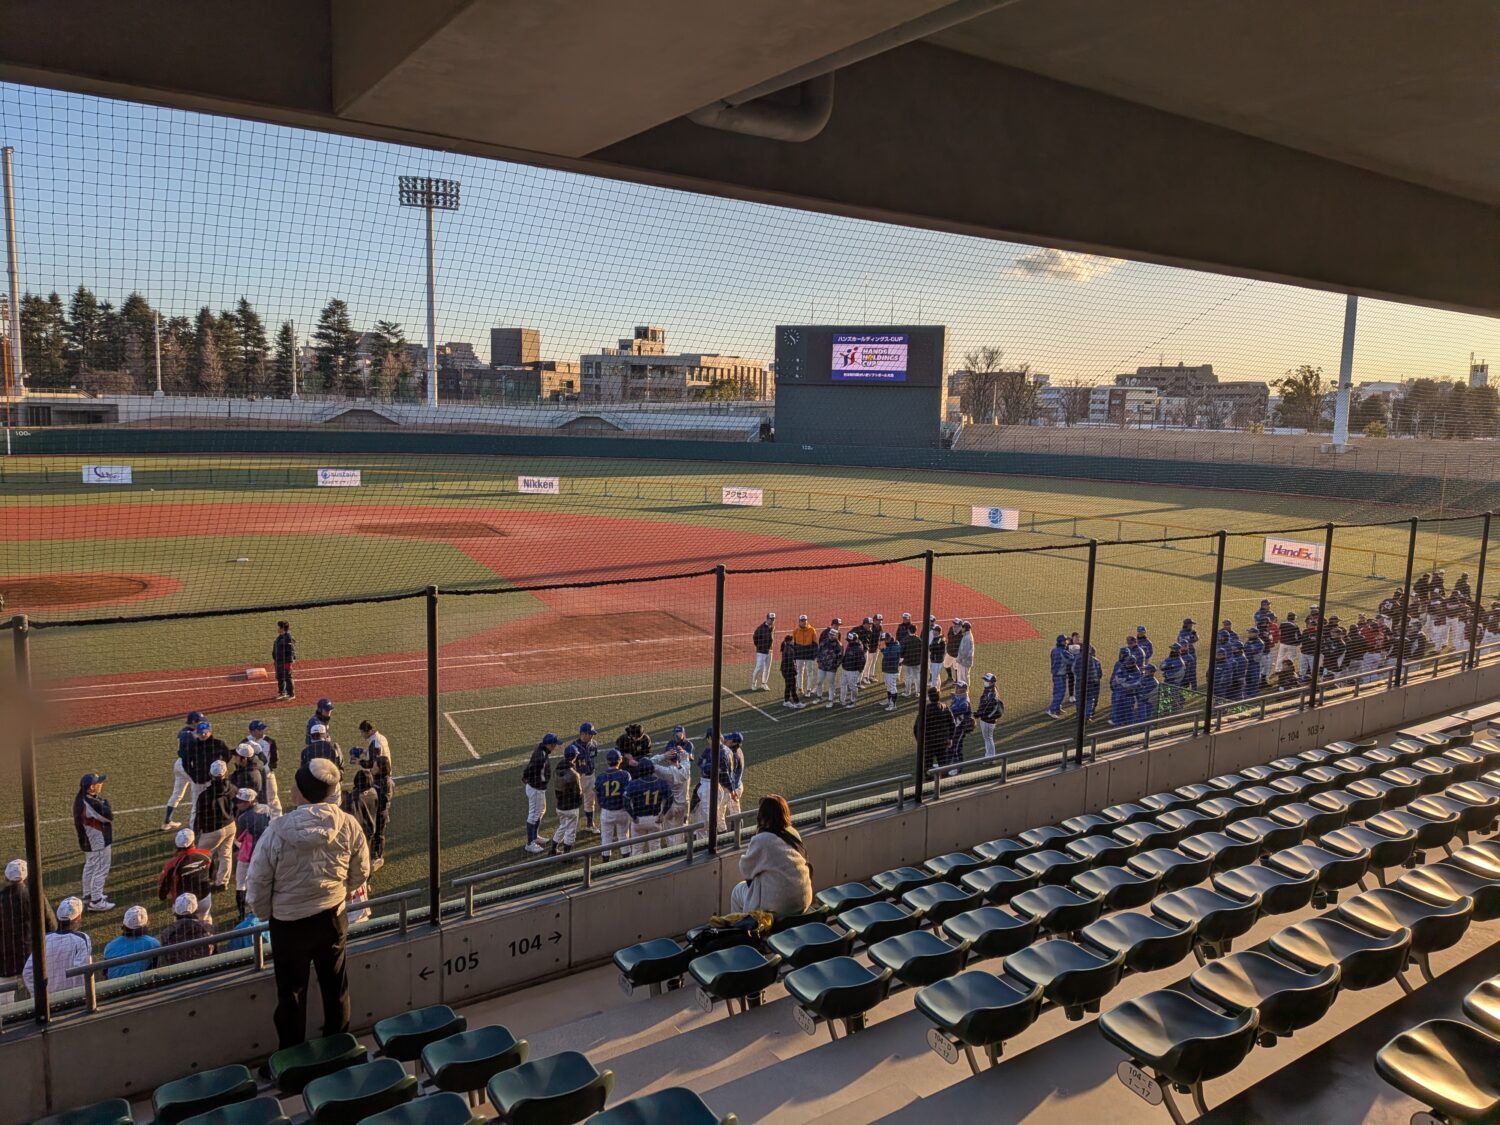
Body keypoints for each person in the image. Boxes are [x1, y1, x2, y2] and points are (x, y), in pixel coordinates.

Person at [246, 757, 370, 1052]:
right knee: (336, 987)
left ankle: (292, 1061)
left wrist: (267, 913)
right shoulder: (348, 824)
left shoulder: (276, 831)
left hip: (289, 925)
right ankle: (339, 1050)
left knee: (291, 995)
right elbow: (361, 871)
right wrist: (339, 892)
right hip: (332, 916)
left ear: (299, 792)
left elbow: (257, 884)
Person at [728, 796, 813, 918]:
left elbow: (746, 870)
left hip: (778, 908)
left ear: (762, 816)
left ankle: (741, 928)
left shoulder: (762, 839)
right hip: (803, 901)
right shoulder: (793, 833)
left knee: (737, 891)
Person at [0, 860, 55, 1004]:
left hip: (4, 958)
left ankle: (8, 1018)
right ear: (26, 877)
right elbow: (51, 925)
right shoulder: (35, 896)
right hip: (32, 955)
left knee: (4, 1001)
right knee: (38, 992)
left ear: (6, 877)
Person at [21, 896, 90, 998]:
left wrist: (40, 995)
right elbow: (81, 971)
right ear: (78, 918)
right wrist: (77, 994)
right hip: (75, 998)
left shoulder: (44, 940)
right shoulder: (81, 939)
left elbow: (27, 972)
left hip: (48, 1000)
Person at [194, 760, 238, 891]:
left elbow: (199, 817)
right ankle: (222, 882)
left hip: (212, 830)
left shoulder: (204, 795)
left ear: (210, 775)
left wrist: (195, 833)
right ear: (226, 773)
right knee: (226, 855)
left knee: (201, 857)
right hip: (230, 825)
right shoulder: (233, 789)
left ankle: (201, 882)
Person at [74, 772, 114, 912]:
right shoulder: (90, 802)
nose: (101, 785)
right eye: (98, 783)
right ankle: (96, 901)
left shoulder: (81, 798)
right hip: (98, 841)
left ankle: (88, 895)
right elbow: (108, 816)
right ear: (91, 787)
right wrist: (105, 804)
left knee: (90, 866)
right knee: (101, 869)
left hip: (88, 840)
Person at [182, 720, 232, 829]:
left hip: (214, 782)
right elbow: (185, 762)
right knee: (196, 807)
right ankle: (193, 830)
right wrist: (193, 776)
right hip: (199, 782)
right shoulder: (193, 746)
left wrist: (220, 768)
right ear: (197, 733)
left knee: (217, 804)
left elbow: (228, 755)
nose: (203, 734)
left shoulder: (218, 744)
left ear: (210, 731)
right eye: (200, 732)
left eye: (205, 732)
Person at [160, 827, 215, 921]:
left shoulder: (171, 864)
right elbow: (210, 872)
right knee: (205, 922)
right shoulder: (206, 854)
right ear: (193, 842)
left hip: (183, 903)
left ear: (177, 845)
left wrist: (163, 896)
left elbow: (163, 888)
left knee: (184, 927)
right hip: (204, 897)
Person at [162, 710, 205, 831]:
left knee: (177, 794)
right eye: (200, 721)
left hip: (179, 764)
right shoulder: (189, 734)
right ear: (193, 721)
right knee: (197, 795)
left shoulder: (184, 731)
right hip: (188, 766)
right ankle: (193, 827)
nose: (202, 724)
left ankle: (167, 822)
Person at [234, 788, 272, 918]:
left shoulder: (244, 818)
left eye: (241, 801)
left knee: (241, 884)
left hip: (248, 855)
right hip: (265, 851)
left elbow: (239, 837)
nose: (238, 804)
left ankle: (242, 914)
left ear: (249, 802)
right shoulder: (266, 808)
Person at [625, 759, 673, 853]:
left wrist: (633, 816)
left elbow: (625, 802)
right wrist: (663, 814)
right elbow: (670, 798)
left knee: (636, 850)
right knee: (656, 849)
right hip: (655, 819)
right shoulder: (661, 782)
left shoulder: (634, 784)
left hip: (639, 820)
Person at [694, 730, 735, 841]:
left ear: (710, 738)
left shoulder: (722, 753)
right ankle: (718, 839)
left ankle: (719, 840)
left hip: (721, 787)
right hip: (721, 786)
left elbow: (724, 774)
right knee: (716, 816)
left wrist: (731, 789)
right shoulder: (722, 750)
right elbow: (700, 763)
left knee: (716, 817)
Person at [103, 906, 161, 980]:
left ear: (124, 925)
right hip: (141, 984)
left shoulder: (110, 946)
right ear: (145, 925)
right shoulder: (153, 944)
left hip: (112, 986)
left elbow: (105, 972)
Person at [595, 749, 633, 860]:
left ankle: (606, 864)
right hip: (622, 811)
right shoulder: (625, 775)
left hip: (607, 812)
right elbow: (629, 793)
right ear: (620, 760)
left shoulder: (601, 777)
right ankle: (627, 862)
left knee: (606, 839)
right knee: (624, 837)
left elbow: (597, 792)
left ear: (607, 761)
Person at [158, 894, 215, 966]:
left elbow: (166, 957)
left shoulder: (166, 933)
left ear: (176, 910)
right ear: (196, 908)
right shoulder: (207, 927)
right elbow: (214, 953)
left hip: (178, 970)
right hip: (205, 966)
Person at [651, 742, 692, 844]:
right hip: (683, 805)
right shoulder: (686, 767)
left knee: (670, 833)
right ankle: (681, 849)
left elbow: (650, 763)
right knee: (680, 830)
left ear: (668, 759)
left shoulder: (666, 772)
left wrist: (663, 755)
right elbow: (686, 756)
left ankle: (673, 851)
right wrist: (681, 750)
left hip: (669, 806)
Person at [522, 734, 556, 854]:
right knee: (534, 815)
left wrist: (526, 776)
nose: (555, 747)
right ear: (549, 744)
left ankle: (535, 836)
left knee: (540, 811)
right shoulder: (540, 755)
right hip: (536, 788)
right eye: (554, 744)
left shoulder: (542, 752)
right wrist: (526, 776)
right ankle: (530, 843)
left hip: (537, 788)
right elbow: (531, 768)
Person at [548, 746, 583, 856]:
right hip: (571, 807)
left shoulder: (557, 769)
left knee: (562, 826)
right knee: (570, 831)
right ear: (575, 756)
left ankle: (553, 849)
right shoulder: (574, 774)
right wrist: (579, 802)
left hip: (560, 806)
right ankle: (567, 856)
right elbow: (578, 793)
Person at [569, 723, 600, 834]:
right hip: (579, 777)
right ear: (583, 734)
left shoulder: (594, 744)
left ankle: (590, 825)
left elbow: (592, 759)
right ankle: (570, 829)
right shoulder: (573, 747)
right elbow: (570, 764)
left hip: (591, 775)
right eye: (590, 734)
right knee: (574, 802)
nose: (592, 736)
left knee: (590, 802)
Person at [246, 719, 282, 817]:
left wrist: (270, 767)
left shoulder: (270, 741)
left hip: (267, 774)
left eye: (263, 729)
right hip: (253, 775)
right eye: (260, 730)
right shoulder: (245, 742)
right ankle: (260, 818)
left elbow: (275, 757)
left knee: (273, 797)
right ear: (253, 731)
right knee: (255, 798)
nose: (262, 731)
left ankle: (278, 818)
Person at [915, 688, 950, 785]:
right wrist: (950, 738)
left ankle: (928, 785)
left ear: (929, 697)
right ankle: (946, 784)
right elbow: (952, 723)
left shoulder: (925, 710)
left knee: (928, 765)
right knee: (943, 764)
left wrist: (920, 741)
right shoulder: (944, 707)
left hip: (928, 743)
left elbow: (916, 728)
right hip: (942, 742)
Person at [342, 770, 379, 854]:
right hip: (370, 828)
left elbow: (349, 814)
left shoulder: (354, 798)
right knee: (366, 852)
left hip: (359, 831)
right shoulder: (373, 792)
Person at [370, 755, 394, 872]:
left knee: (378, 834)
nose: (372, 768)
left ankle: (377, 857)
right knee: (372, 834)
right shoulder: (377, 779)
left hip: (380, 813)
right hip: (375, 812)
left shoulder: (386, 782)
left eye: (375, 766)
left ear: (381, 768)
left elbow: (384, 799)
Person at [230, 741, 268, 805]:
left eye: (237, 756)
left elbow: (241, 798)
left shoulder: (247, 775)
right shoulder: (256, 767)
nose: (234, 758)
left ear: (244, 759)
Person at [946, 684, 973, 774]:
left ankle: (958, 769)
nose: (955, 688)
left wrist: (948, 711)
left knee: (956, 747)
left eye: (957, 687)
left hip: (960, 727)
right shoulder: (958, 697)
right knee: (953, 746)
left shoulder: (964, 701)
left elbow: (957, 711)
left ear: (962, 689)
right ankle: (947, 764)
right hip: (956, 727)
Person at [975, 672, 1003, 758]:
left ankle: (990, 758)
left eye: (986, 680)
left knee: (988, 738)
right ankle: (989, 756)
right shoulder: (988, 690)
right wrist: (979, 712)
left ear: (991, 682)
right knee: (987, 738)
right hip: (985, 718)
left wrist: (981, 714)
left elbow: (988, 707)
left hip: (988, 720)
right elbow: (983, 703)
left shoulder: (992, 693)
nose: (985, 682)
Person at [723, 732, 747, 825]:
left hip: (733, 789)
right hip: (736, 786)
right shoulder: (737, 750)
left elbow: (730, 776)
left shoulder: (734, 756)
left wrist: (731, 791)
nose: (726, 740)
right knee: (735, 812)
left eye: (729, 739)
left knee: (735, 815)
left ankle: (738, 832)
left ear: (733, 743)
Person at [815, 628, 842, 707]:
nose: (831, 636)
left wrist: (835, 665)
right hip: (822, 666)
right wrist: (819, 661)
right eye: (830, 634)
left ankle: (831, 700)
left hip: (831, 668)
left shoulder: (838, 645)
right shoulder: (824, 642)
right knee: (819, 682)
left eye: (833, 635)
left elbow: (840, 657)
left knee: (831, 683)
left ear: (836, 636)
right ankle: (819, 696)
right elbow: (818, 652)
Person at [792, 615, 818, 695]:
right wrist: (794, 655)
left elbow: (815, 643)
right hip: (799, 655)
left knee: (809, 672)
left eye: (805, 620)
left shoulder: (812, 630)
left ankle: (808, 689)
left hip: (809, 655)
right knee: (799, 672)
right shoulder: (795, 631)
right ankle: (800, 688)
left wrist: (814, 654)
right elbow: (794, 644)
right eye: (802, 621)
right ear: (799, 621)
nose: (804, 622)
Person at [751, 612, 776, 691]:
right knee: (758, 667)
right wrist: (759, 647)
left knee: (767, 668)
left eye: (773, 619)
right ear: (767, 619)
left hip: (770, 651)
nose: (772, 621)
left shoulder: (773, 627)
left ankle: (764, 683)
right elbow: (755, 638)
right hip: (761, 651)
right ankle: (753, 683)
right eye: (771, 619)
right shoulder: (760, 628)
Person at [839, 629, 864, 707]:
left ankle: (853, 701)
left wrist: (859, 671)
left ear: (855, 640)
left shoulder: (858, 649)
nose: (848, 642)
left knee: (853, 686)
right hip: (845, 669)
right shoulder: (849, 645)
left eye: (850, 640)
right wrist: (843, 664)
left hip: (853, 671)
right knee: (843, 684)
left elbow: (862, 661)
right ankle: (842, 700)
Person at [273, 620, 297, 701]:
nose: (277, 629)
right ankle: (282, 692)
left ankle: (291, 694)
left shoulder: (288, 638)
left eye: (278, 627)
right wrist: (275, 660)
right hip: (278, 661)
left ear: (282, 628)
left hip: (285, 662)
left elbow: (291, 651)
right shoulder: (279, 637)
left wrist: (289, 663)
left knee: (288, 677)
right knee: (280, 677)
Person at [1046, 634, 1069, 718]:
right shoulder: (1063, 652)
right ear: (1062, 642)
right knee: (1060, 693)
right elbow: (1072, 659)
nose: (1067, 642)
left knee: (1057, 692)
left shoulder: (1054, 650)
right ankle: (1051, 710)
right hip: (1060, 675)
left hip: (1055, 674)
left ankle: (1057, 708)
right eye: (1066, 640)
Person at [899, 623, 924, 697]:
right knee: (917, 676)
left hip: (907, 662)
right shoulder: (919, 639)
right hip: (917, 662)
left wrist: (900, 660)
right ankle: (918, 692)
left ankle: (907, 692)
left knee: (908, 677)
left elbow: (901, 651)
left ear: (908, 630)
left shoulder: (905, 640)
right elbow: (922, 650)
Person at [779, 633, 803, 709]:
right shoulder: (789, 649)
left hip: (785, 670)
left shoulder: (787, 647)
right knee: (792, 687)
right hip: (789, 671)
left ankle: (790, 701)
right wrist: (794, 671)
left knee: (789, 686)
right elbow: (791, 662)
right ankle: (794, 702)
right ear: (790, 641)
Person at [880, 632, 902, 711]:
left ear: (889, 639)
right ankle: (889, 701)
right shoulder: (890, 645)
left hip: (892, 670)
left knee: (892, 687)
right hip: (887, 669)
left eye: (885, 640)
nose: (884, 641)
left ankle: (893, 705)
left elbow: (891, 656)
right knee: (888, 686)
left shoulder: (895, 645)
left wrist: (884, 650)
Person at [955, 621, 975, 688]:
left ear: (965, 628)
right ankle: (960, 689)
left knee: (964, 677)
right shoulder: (966, 636)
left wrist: (959, 659)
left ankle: (965, 691)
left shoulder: (967, 638)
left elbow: (965, 652)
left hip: (965, 661)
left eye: (962, 627)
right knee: (961, 676)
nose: (961, 628)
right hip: (963, 661)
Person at [927, 624, 947, 691]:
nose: (933, 632)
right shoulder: (937, 638)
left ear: (937, 632)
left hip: (937, 660)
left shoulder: (939, 639)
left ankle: (933, 691)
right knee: (936, 676)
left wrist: (931, 647)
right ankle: (937, 689)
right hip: (935, 659)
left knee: (934, 677)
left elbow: (935, 647)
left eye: (934, 630)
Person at [944, 618, 963, 683]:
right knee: (946, 664)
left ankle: (957, 680)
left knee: (956, 667)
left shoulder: (962, 633)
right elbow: (949, 637)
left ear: (960, 625)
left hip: (957, 654)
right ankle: (950, 677)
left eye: (955, 624)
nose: (954, 625)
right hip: (949, 651)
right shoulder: (951, 629)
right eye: (954, 623)